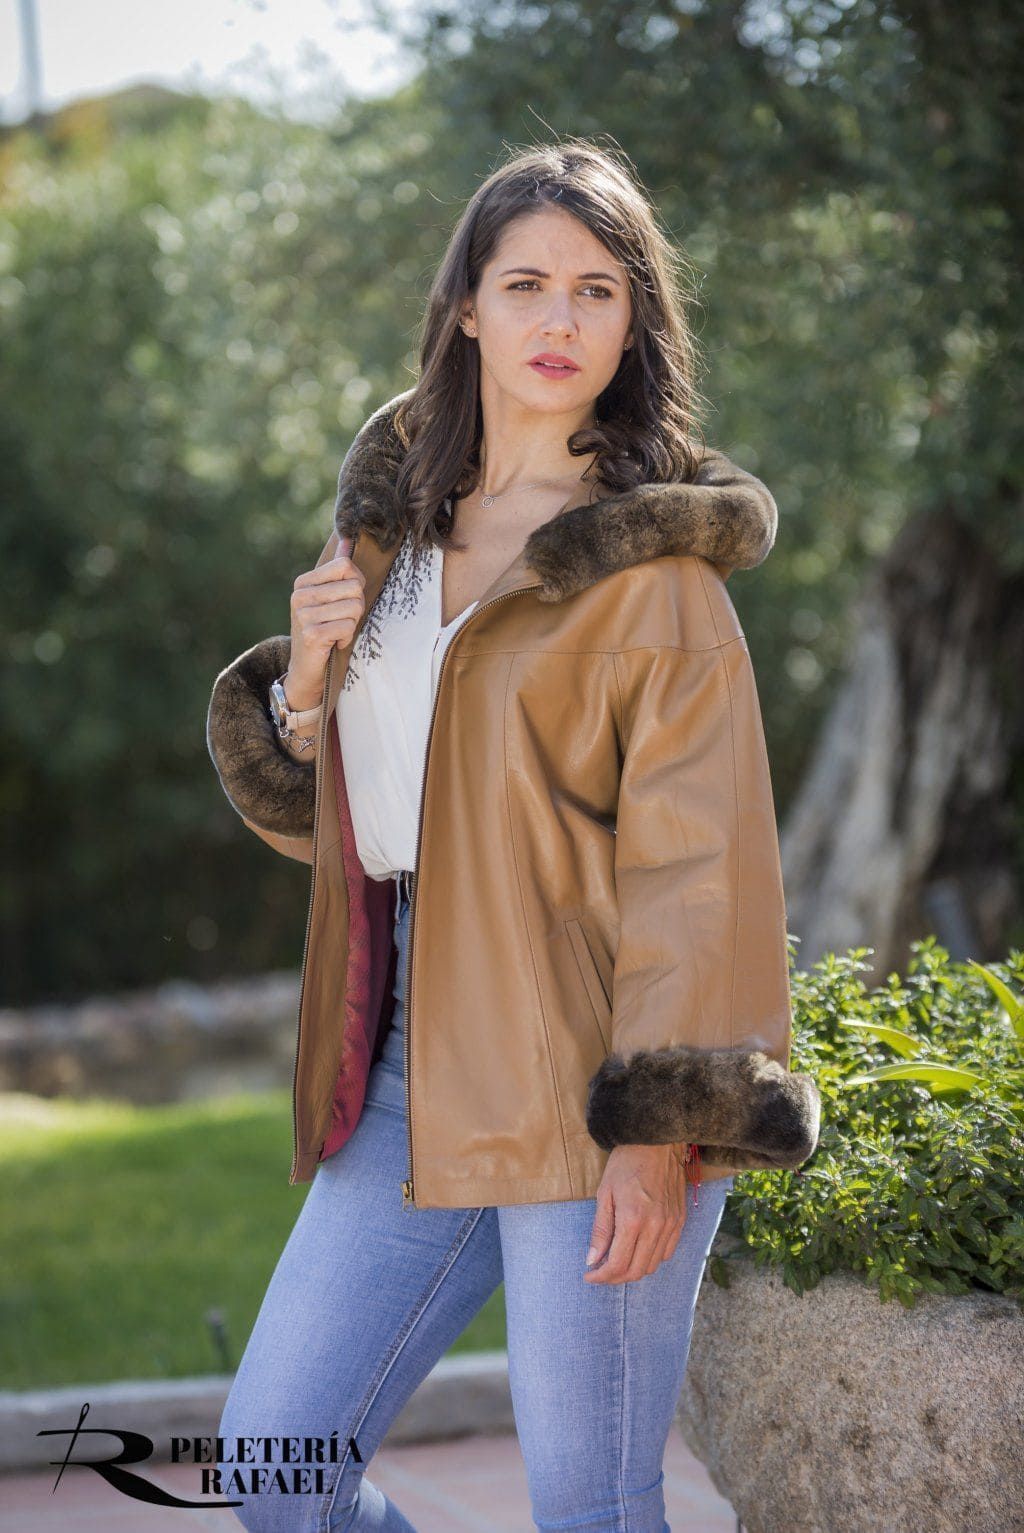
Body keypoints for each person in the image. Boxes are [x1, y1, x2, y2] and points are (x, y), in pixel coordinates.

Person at [205, 138, 821, 1533]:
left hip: (593, 1071)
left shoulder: (657, 576)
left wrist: (655, 1134)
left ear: (633, 323)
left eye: (597, 291)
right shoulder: (390, 530)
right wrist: (302, 697)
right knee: (273, 1467)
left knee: (588, 1508)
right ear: (466, 307)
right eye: (526, 283)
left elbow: (701, 876)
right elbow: (377, 820)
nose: (559, 321)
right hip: (411, 1068)